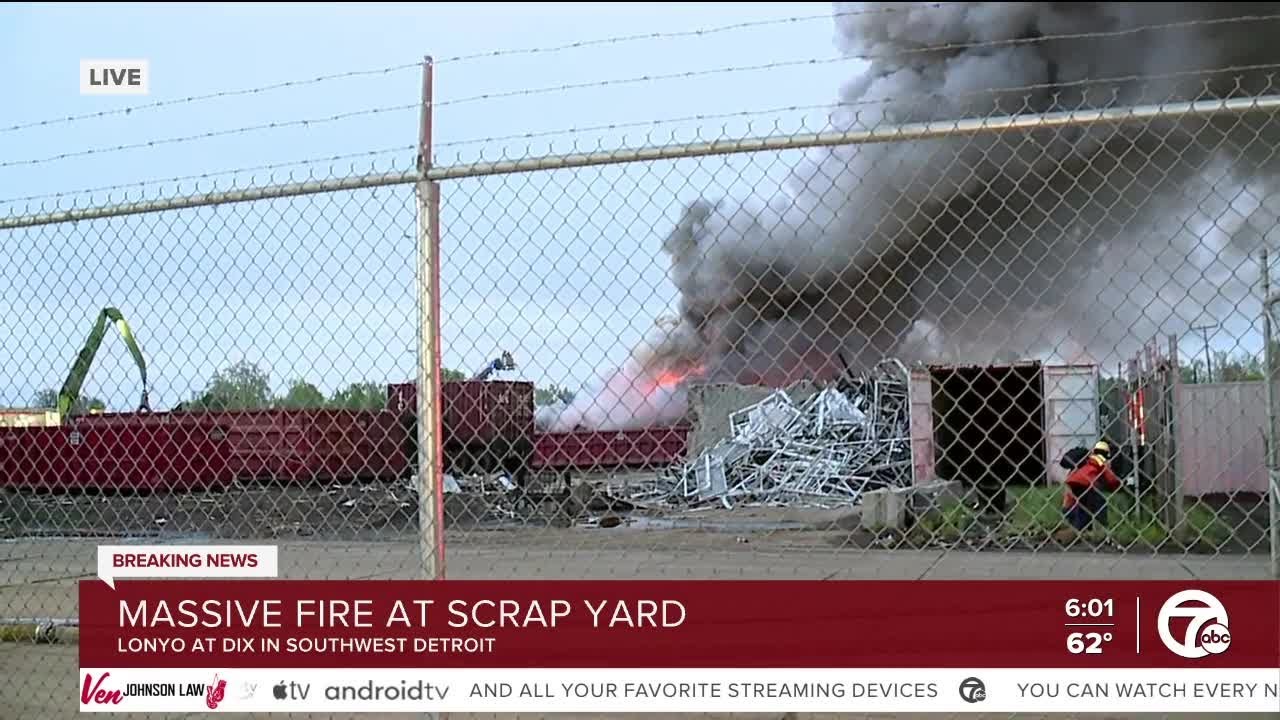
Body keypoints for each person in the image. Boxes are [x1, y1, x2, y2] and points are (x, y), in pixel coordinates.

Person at [1061, 440, 1123, 534]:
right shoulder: (1100, 461)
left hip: (1071, 489)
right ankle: (1103, 528)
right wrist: (1118, 485)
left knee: (1084, 505)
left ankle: (1080, 527)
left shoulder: (1083, 461)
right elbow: (1111, 479)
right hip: (1085, 484)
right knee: (1099, 503)